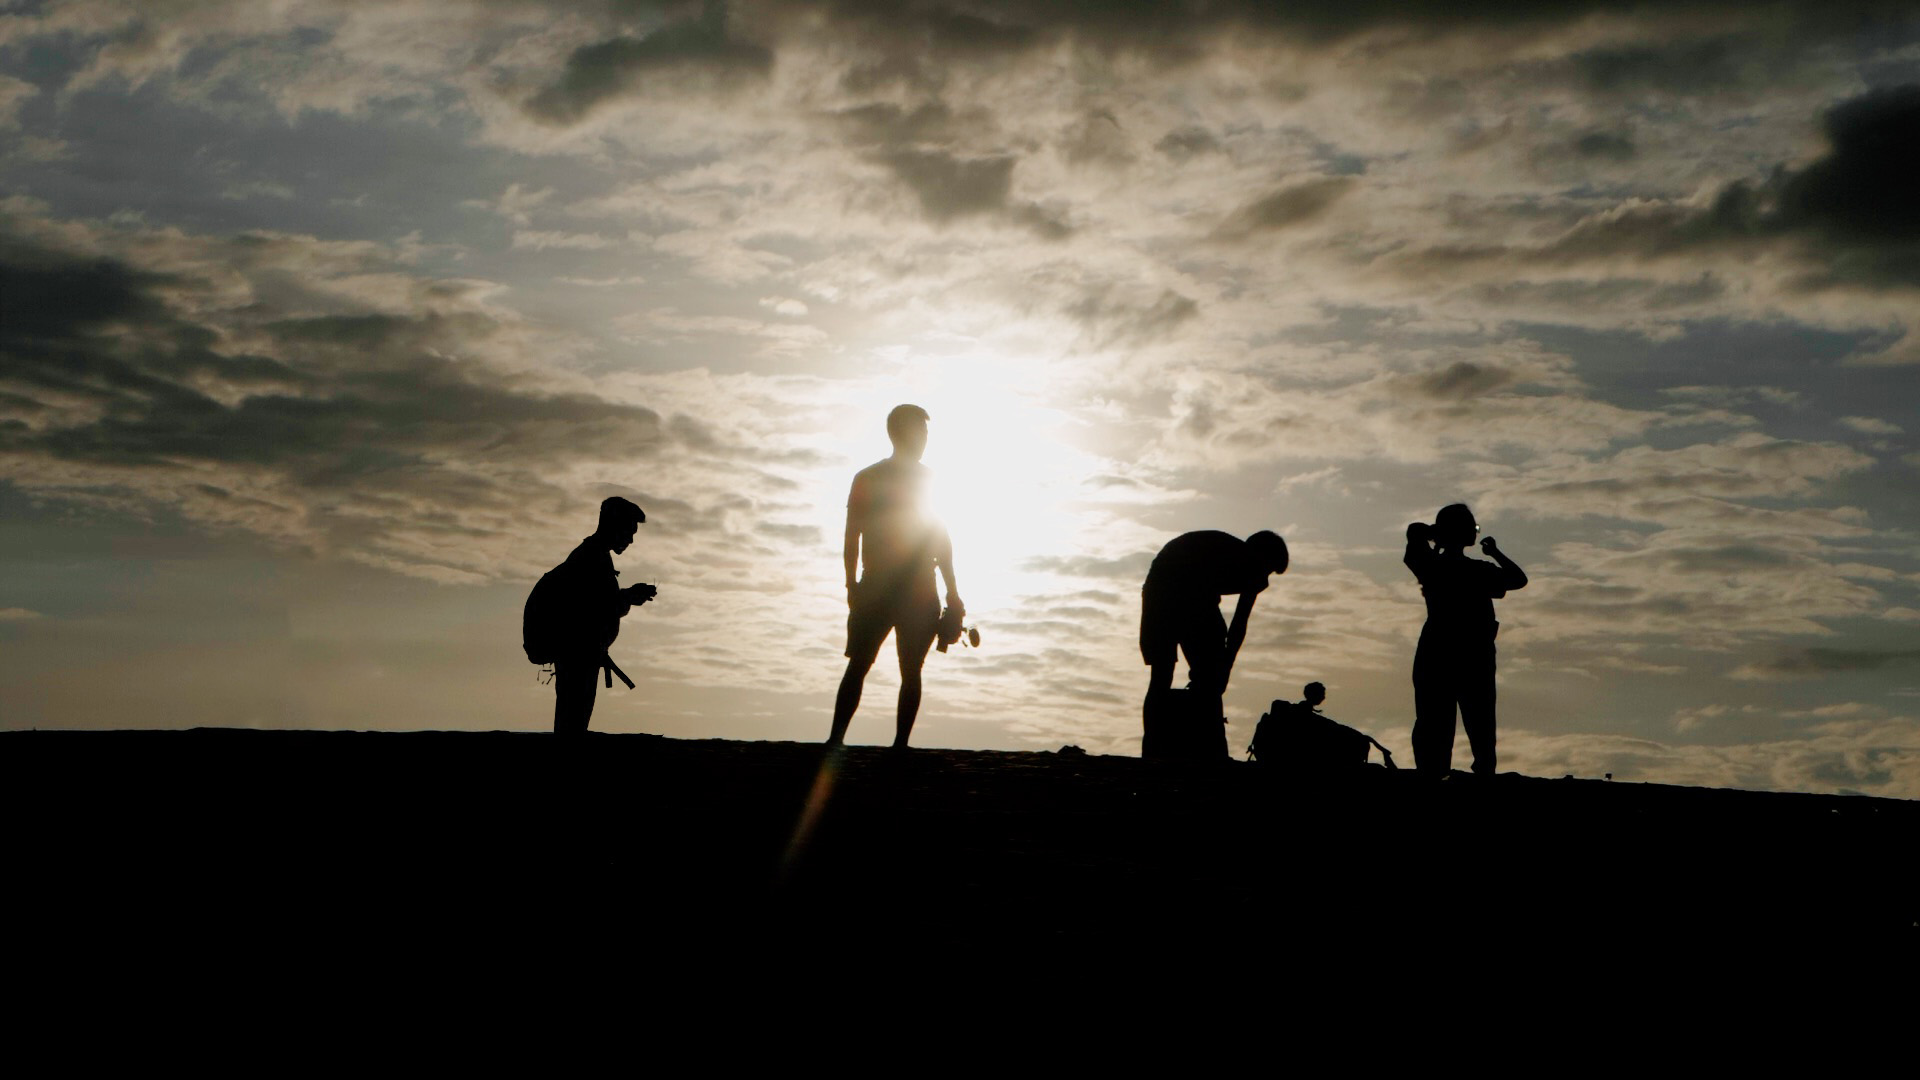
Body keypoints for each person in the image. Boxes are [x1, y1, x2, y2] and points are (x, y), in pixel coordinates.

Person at [827, 405, 963, 749]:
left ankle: (862, 742)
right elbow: (852, 536)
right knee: (879, 667)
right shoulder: (877, 478)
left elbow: (939, 540)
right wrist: (851, 584)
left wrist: (952, 592)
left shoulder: (872, 477)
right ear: (902, 433)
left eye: (926, 432)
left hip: (892, 587)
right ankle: (869, 743)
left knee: (882, 667)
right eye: (921, 431)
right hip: (897, 588)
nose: (925, 438)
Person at [1138, 529, 1289, 752]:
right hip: (1168, 587)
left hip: (1165, 588)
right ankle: (1194, 744)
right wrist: (1224, 663)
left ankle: (1168, 743)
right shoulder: (1245, 561)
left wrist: (1225, 662)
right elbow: (1237, 624)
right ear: (1260, 556)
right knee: (1187, 674)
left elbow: (1236, 625)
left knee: (1170, 676)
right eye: (1269, 569)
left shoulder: (1243, 560)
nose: (1265, 580)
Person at [1404, 503, 1527, 775]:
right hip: (1473, 653)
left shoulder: (1431, 565)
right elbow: (1518, 579)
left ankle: (1433, 774)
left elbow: (1414, 534)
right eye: (1472, 527)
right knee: (1478, 720)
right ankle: (1480, 774)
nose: (1474, 531)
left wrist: (1434, 533)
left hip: (1440, 651)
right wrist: (1495, 552)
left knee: (1435, 720)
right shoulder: (1479, 571)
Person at [549, 497, 657, 735]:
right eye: (629, 531)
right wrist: (629, 597)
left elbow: (601, 604)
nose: (630, 540)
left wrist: (628, 596)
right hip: (579, 655)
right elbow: (596, 607)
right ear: (613, 526)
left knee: (573, 722)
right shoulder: (591, 559)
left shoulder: (592, 556)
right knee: (572, 725)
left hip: (581, 655)